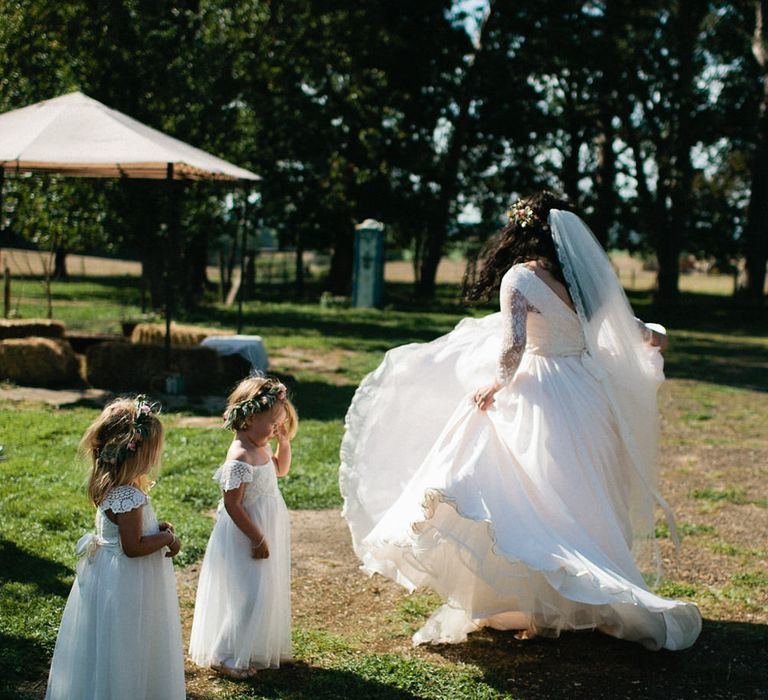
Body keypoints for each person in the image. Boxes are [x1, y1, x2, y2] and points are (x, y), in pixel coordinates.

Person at [340, 191, 702, 651]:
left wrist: (496, 384)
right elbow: (633, 333)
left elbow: (513, 345)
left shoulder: (520, 279)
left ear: (518, 232)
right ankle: (569, 602)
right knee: (581, 494)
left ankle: (547, 602)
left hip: (539, 389)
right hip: (587, 394)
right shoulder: (583, 281)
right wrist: (657, 336)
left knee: (529, 494)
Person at [45, 395, 185, 700]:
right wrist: (168, 539)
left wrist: (154, 530)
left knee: (106, 641)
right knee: (128, 641)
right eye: (153, 452)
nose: (155, 459)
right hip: (127, 582)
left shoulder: (111, 487)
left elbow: (128, 533)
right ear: (133, 453)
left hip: (108, 576)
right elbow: (133, 547)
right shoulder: (129, 496)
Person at [189, 375, 297, 678]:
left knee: (263, 591)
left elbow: (281, 469)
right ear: (249, 418)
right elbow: (232, 505)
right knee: (247, 595)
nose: (276, 429)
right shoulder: (240, 457)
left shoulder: (260, 446)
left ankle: (254, 647)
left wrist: (283, 442)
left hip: (264, 526)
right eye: (273, 424)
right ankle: (223, 654)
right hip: (245, 534)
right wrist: (256, 537)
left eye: (279, 425)